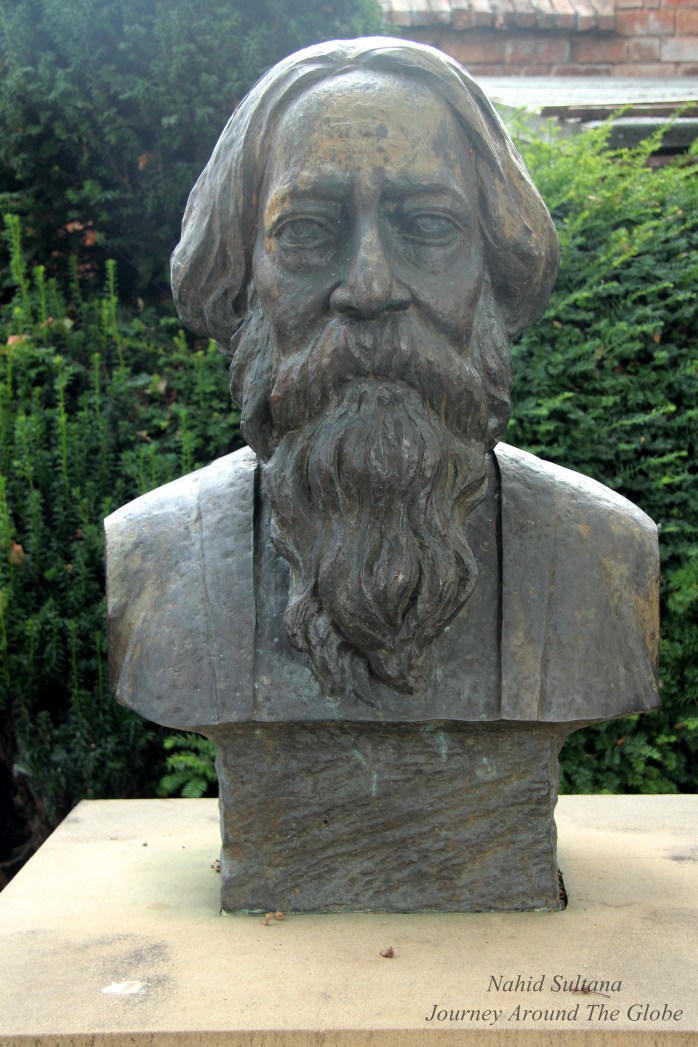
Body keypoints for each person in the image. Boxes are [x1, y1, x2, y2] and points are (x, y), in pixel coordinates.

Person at [106, 38, 659, 732]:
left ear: (494, 269)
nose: (369, 287)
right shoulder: (155, 556)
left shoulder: (605, 553)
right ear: (242, 278)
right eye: (306, 228)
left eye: (428, 226)